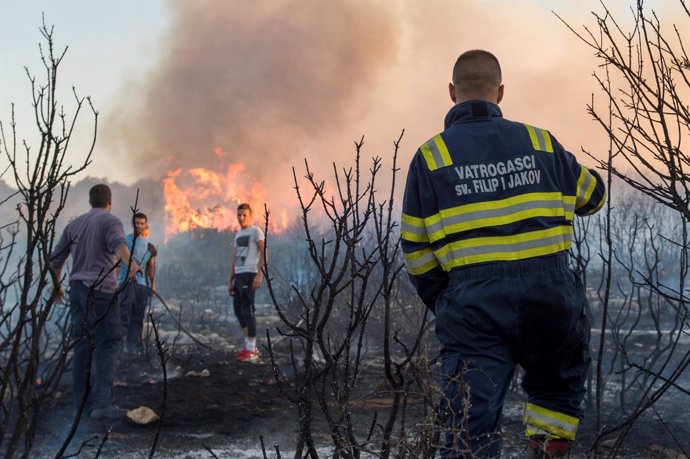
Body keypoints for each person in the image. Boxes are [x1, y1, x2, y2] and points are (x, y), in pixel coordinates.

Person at [401, 50, 606, 458]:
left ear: (451, 93)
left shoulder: (431, 157)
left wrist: (445, 301)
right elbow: (593, 196)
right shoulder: (540, 141)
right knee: (555, 398)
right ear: (501, 92)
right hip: (551, 301)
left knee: (468, 427)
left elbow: (417, 250)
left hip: (474, 310)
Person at [51, 184, 141, 420]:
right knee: (109, 342)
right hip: (100, 291)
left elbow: (56, 259)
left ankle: (80, 405)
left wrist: (56, 285)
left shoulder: (75, 224)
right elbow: (118, 246)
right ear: (109, 202)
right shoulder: (110, 221)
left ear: (91, 201)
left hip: (77, 290)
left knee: (82, 345)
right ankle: (103, 403)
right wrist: (131, 265)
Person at [227, 203, 266, 363]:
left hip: (250, 273)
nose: (241, 218)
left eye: (244, 215)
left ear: (250, 216)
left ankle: (252, 351)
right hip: (239, 275)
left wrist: (260, 274)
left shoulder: (256, 231)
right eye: (239, 215)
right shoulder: (237, 235)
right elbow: (235, 258)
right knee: (238, 310)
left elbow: (265, 252)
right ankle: (249, 347)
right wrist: (230, 280)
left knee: (247, 309)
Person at [117, 212, 157, 355]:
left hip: (142, 287)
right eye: (136, 223)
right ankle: (119, 352)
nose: (139, 226)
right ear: (132, 224)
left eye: (142, 223)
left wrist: (153, 286)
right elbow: (116, 264)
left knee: (138, 318)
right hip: (125, 285)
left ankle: (133, 351)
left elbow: (151, 267)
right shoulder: (124, 242)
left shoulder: (150, 247)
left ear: (146, 225)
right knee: (124, 318)